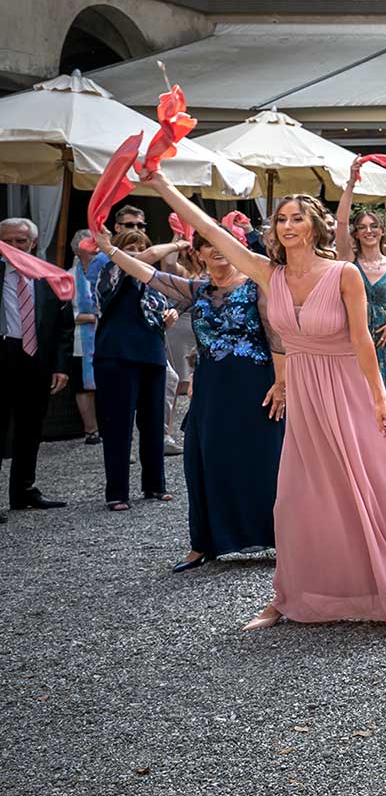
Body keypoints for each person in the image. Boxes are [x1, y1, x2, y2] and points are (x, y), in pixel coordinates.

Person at [146, 175, 386, 635]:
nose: (287, 225)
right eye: (281, 220)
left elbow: (362, 342)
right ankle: (293, 595)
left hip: (349, 390)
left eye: (296, 218)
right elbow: (208, 229)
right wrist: (163, 186)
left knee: (382, 489)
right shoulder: (267, 273)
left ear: (314, 226)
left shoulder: (344, 274)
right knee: (298, 499)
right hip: (306, 396)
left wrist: (380, 400)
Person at [95, 223, 284, 571]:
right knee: (203, 456)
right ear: (196, 253)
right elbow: (148, 274)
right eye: (206, 246)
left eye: (223, 245)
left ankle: (281, 539)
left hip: (254, 382)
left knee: (263, 458)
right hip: (212, 387)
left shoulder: (258, 287)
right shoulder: (195, 291)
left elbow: (277, 338)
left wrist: (282, 383)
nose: (216, 251)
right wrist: (109, 250)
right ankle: (204, 543)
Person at [336, 166, 386, 461]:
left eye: (374, 226)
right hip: (353, 337)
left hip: (385, 339)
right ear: (356, 233)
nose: (368, 231)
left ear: (382, 231)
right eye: (363, 227)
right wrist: (349, 185)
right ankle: (363, 455)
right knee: (358, 397)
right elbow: (340, 222)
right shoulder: (347, 260)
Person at [94, 227, 174, 511]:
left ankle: (155, 484)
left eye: (139, 246)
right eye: (129, 248)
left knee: (154, 423)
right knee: (118, 426)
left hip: (151, 354)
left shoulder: (155, 284)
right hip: (117, 355)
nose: (136, 253)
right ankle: (117, 492)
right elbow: (150, 256)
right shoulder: (110, 271)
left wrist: (168, 318)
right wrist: (181, 241)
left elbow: (159, 315)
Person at [1, 217, 72, 515]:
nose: (16, 246)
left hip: (37, 359)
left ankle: (23, 491)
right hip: (4, 353)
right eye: (9, 241)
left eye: (21, 240)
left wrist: (61, 366)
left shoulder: (49, 277)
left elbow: (63, 326)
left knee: (31, 428)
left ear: (33, 242)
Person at [67, 229, 103, 447]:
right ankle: (91, 429)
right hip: (81, 338)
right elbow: (64, 313)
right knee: (84, 387)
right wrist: (94, 316)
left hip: (106, 338)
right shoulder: (69, 276)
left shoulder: (107, 271)